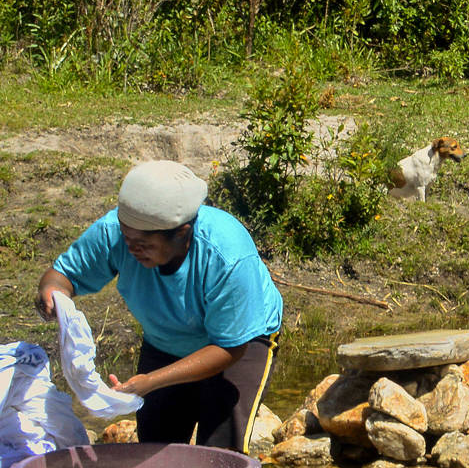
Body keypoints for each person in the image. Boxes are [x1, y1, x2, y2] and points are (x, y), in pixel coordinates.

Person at [36, 159, 285, 452]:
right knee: (155, 446)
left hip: (239, 342)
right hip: (166, 339)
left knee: (219, 452)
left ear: (182, 233)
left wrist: (150, 382)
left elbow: (229, 348)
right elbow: (63, 276)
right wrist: (51, 293)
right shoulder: (115, 232)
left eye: (144, 244)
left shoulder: (226, 256)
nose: (131, 248)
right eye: (127, 237)